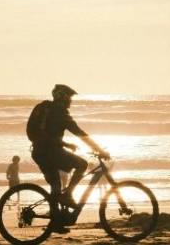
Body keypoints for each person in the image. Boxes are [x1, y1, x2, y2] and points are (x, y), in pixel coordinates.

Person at [26, 84, 109, 232]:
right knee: (82, 164)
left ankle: (55, 222)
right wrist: (99, 149)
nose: (71, 101)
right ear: (62, 97)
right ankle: (68, 195)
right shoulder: (60, 113)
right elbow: (79, 133)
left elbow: (47, 135)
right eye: (69, 97)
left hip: (38, 152)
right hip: (51, 152)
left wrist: (65, 144)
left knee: (55, 186)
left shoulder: (46, 108)